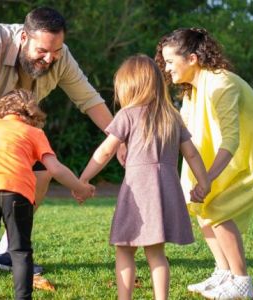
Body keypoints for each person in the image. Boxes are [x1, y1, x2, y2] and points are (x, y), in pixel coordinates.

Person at [0, 7, 124, 279]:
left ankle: (7, 252)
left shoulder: (60, 57)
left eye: (55, 51)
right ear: (24, 37)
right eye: (42, 51)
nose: (49, 59)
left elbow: (89, 100)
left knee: (41, 174)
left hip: (19, 126)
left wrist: (119, 138)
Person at [155, 28, 253, 299]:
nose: (166, 69)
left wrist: (207, 179)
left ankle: (241, 282)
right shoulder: (191, 91)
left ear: (192, 58)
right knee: (203, 206)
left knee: (217, 207)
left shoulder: (220, 83)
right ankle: (223, 273)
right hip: (238, 155)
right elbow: (185, 133)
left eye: (170, 62)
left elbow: (231, 140)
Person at [76, 55, 211, 300]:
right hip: (165, 191)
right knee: (156, 253)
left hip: (138, 192)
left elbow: (106, 151)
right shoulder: (172, 116)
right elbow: (191, 154)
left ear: (129, 86)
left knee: (125, 249)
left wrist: (83, 179)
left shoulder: (127, 115)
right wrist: (204, 183)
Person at [0, 89, 94, 299]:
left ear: (1, 110)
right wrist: (80, 188)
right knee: (20, 251)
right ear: (32, 116)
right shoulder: (35, 133)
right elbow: (55, 168)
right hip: (17, 194)